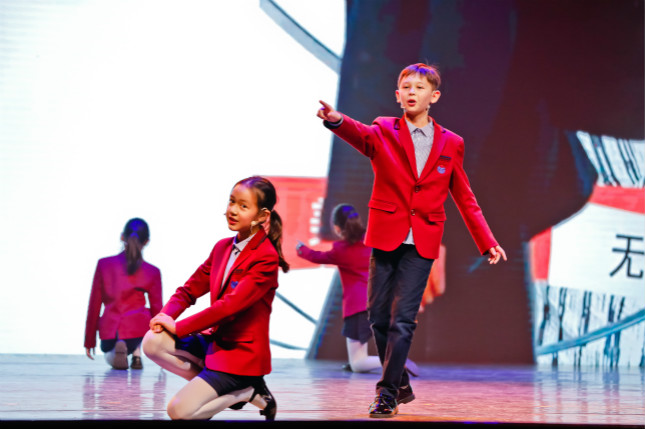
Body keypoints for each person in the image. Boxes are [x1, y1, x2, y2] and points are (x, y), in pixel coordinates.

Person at [317, 63, 507, 418]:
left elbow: (464, 197)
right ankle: (401, 382)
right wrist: (337, 120)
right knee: (377, 317)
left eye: (419, 87)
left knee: (402, 319)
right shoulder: (383, 129)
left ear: (433, 96)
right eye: (406, 87)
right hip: (386, 235)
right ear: (397, 95)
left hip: (422, 241)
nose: (411, 92)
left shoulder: (451, 143)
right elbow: (359, 134)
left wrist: (487, 240)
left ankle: (387, 393)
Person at [142, 176, 288, 421]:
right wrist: (164, 317)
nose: (233, 210)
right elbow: (189, 290)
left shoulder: (265, 257)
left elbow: (229, 307)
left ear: (262, 215)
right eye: (232, 201)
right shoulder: (222, 247)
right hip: (215, 345)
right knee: (152, 341)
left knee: (178, 411)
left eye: (243, 206)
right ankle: (221, 389)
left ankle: (246, 391)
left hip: (240, 357)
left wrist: (178, 327)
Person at [296, 203, 419, 375]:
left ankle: (397, 360)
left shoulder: (341, 250)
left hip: (357, 308)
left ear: (337, 228)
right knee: (357, 359)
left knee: (358, 363)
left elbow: (317, 256)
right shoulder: (372, 242)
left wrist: (301, 249)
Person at [84, 218, 163, 370]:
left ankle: (116, 352)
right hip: (137, 332)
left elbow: (94, 305)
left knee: (108, 353)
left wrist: (89, 340)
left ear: (122, 237)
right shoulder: (152, 271)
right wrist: (161, 347)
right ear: (147, 242)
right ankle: (137, 354)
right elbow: (157, 312)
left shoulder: (104, 265)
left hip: (110, 331)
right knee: (144, 314)